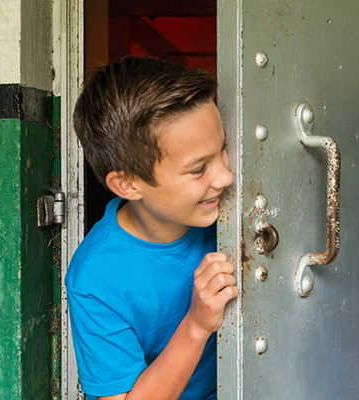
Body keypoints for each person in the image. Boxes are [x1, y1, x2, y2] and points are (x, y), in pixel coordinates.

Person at [66, 56, 237, 400]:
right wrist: (196, 324)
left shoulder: (235, 207)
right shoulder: (95, 278)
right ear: (127, 185)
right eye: (198, 169)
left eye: (223, 150)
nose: (226, 177)